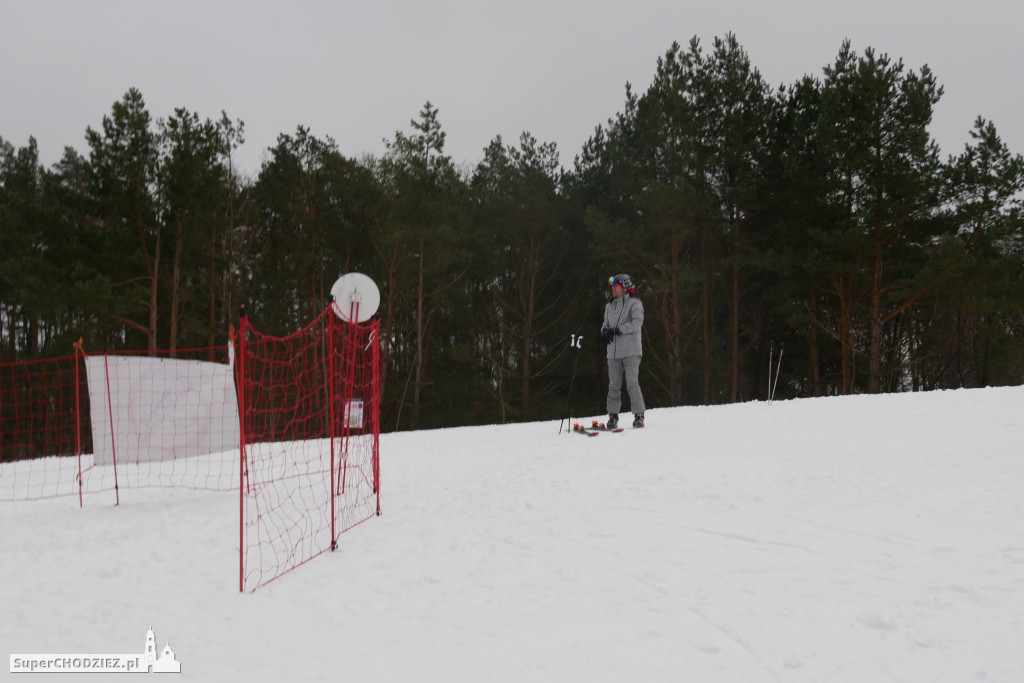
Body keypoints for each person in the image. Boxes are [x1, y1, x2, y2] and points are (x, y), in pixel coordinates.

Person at [601, 274, 645, 428]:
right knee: (613, 385)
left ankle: (639, 415)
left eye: (616, 285)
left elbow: (636, 323)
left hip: (631, 351)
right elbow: (605, 325)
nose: (613, 288)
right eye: (612, 286)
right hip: (613, 353)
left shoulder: (635, 304)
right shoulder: (609, 306)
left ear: (625, 287)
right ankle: (613, 416)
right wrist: (605, 333)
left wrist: (617, 330)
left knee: (632, 383)